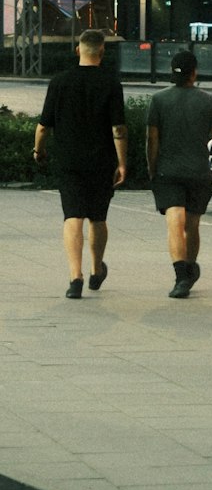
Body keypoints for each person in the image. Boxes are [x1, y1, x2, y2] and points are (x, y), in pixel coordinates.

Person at [34, 29, 128, 299]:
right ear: (102, 52)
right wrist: (122, 162)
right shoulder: (111, 83)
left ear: (78, 50)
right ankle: (97, 270)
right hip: (101, 161)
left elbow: (43, 127)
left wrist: (38, 150)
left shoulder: (60, 82)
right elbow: (118, 128)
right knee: (98, 217)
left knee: (72, 216)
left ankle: (75, 277)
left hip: (68, 161)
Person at [146, 49, 212, 299]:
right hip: (198, 173)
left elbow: (152, 140)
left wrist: (152, 168)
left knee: (174, 223)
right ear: (194, 73)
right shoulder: (208, 100)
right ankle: (188, 270)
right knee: (192, 226)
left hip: (168, 171)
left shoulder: (159, 100)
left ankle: (181, 276)